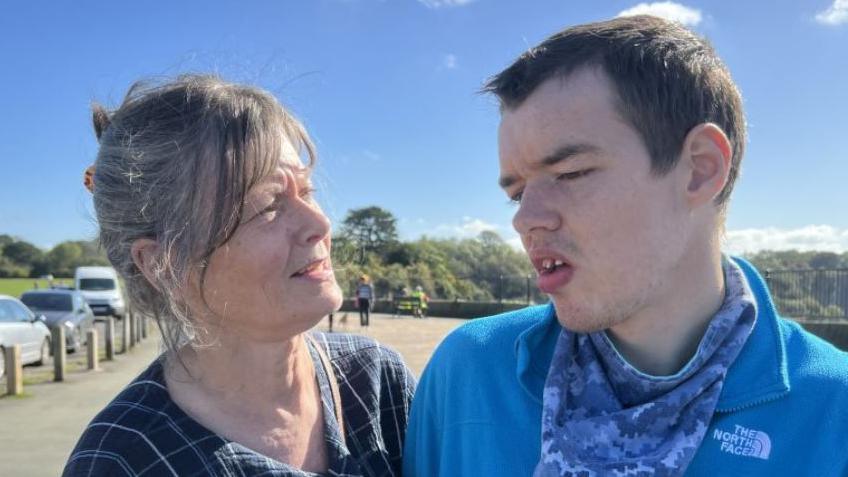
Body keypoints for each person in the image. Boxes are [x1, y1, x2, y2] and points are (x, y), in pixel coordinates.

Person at [404, 15, 848, 476]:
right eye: (517, 193)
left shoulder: (834, 410)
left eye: (570, 173)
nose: (525, 219)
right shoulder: (470, 373)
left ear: (699, 168)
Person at [63, 75, 415, 476]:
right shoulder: (123, 460)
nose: (319, 223)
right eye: (267, 206)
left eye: (307, 191)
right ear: (163, 263)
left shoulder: (375, 384)